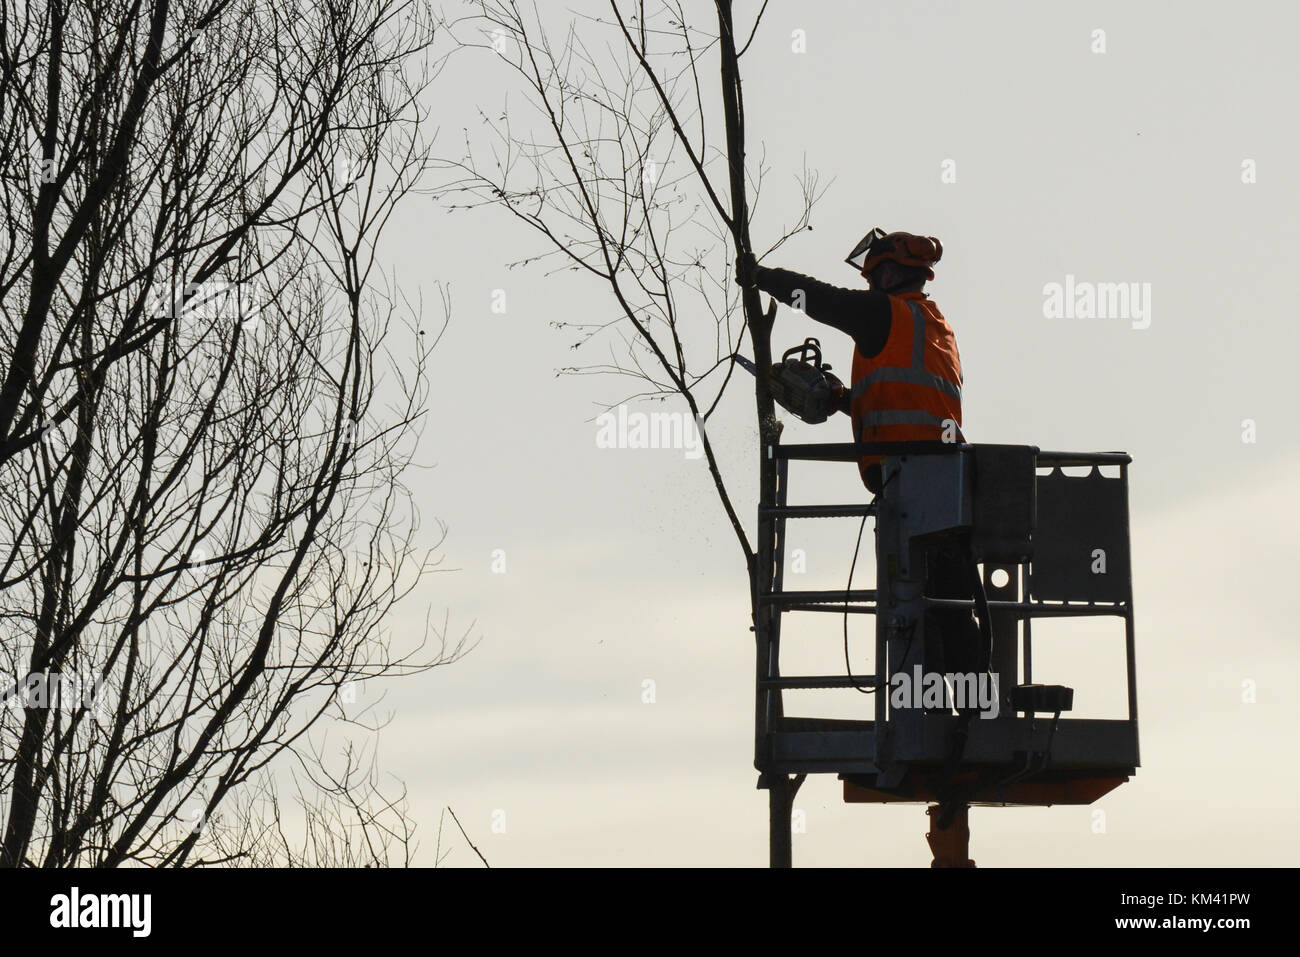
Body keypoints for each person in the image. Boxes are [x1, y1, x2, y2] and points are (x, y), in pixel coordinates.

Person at [737, 230, 980, 677]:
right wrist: (843, 398)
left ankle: (942, 715)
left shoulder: (881, 312)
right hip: (944, 477)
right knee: (946, 602)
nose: (868, 284)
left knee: (913, 605)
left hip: (910, 478)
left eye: (873, 275)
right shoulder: (932, 322)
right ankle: (968, 709)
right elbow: (910, 401)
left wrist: (760, 277)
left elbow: (822, 299)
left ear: (889, 273)